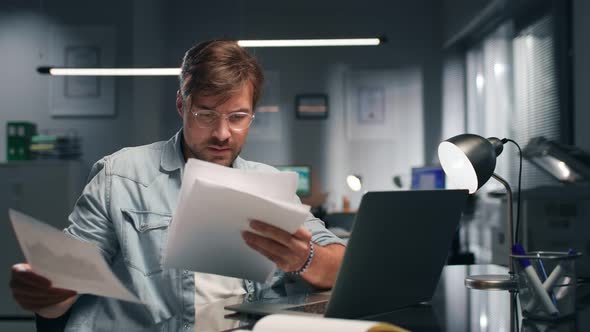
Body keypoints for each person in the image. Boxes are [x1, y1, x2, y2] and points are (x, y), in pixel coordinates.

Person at [10, 40, 346, 331]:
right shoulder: (121, 175)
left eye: (238, 117)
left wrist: (305, 258)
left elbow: (340, 267)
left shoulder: (272, 185)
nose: (222, 133)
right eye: (206, 114)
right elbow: (65, 287)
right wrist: (46, 291)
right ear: (182, 106)